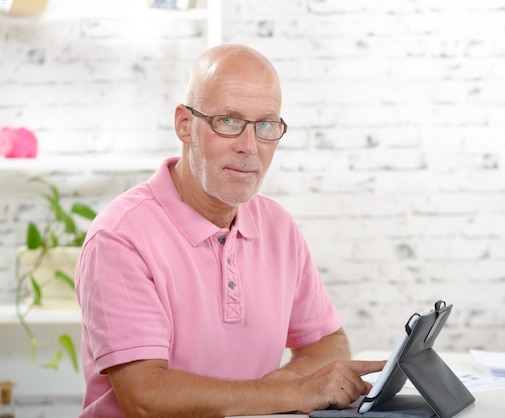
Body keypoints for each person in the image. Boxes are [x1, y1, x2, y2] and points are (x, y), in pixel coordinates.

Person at [75, 43, 385, 417]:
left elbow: (326, 343)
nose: (249, 146)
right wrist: (291, 394)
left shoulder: (278, 226)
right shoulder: (120, 237)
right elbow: (145, 398)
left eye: (266, 125)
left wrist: (276, 389)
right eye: (228, 121)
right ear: (185, 125)